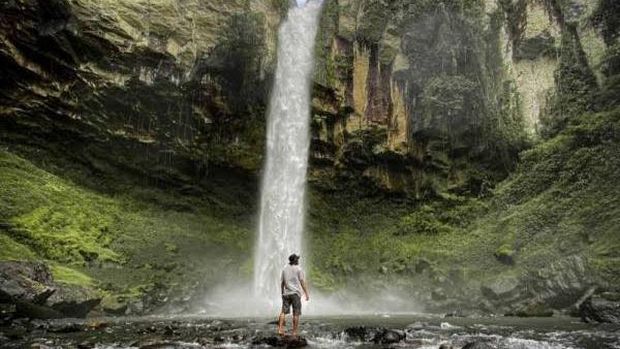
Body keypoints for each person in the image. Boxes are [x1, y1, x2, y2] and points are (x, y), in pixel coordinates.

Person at [277, 253, 309, 337]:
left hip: (286, 293)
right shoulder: (299, 269)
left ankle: (280, 329)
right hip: (295, 294)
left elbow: (282, 282)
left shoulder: (284, 269)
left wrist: (282, 292)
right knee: (296, 313)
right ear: (294, 260)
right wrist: (306, 293)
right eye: (297, 259)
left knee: (283, 312)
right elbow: (302, 281)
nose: (298, 260)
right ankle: (294, 332)